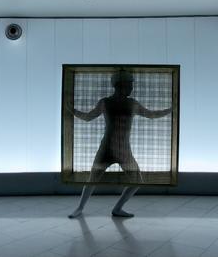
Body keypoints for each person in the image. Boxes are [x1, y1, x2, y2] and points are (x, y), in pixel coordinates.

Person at [68, 70, 171, 218]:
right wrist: (72, 110)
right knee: (93, 179)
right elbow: (88, 117)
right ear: (120, 85)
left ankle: (116, 208)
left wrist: (170, 110)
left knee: (136, 181)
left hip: (121, 150)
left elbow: (152, 115)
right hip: (109, 149)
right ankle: (80, 208)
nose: (132, 88)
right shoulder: (108, 102)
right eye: (130, 85)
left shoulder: (129, 103)